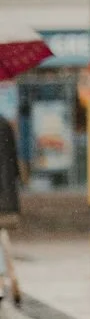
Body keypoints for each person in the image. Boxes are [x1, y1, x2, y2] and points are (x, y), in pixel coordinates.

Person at [0, 113, 23, 305]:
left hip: (2, 197)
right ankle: (12, 281)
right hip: (6, 196)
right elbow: (13, 165)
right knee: (2, 238)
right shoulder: (5, 124)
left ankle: (5, 282)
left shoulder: (2, 126)